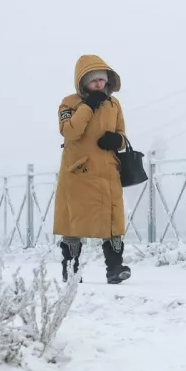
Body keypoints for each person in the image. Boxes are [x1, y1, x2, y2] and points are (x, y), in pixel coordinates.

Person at [53, 54, 132, 284]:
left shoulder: (114, 104)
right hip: (78, 173)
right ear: (83, 82)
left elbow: (122, 134)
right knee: (73, 223)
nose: (99, 84)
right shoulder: (69, 103)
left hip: (108, 172)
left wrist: (117, 140)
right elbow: (70, 131)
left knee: (113, 221)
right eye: (93, 80)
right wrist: (87, 106)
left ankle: (115, 269)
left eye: (102, 79)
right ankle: (71, 270)